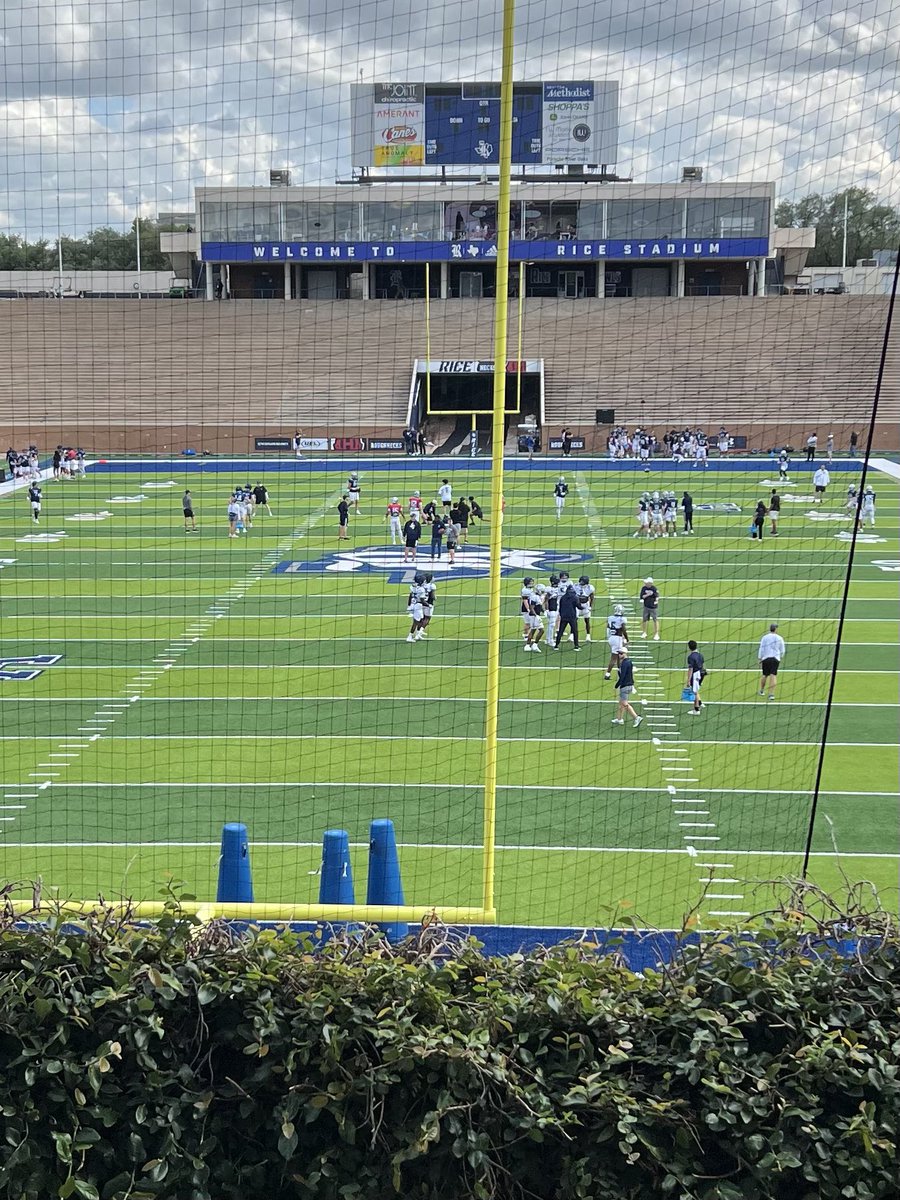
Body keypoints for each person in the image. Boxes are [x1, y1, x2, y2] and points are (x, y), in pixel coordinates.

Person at [610, 652, 643, 728]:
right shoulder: (629, 662)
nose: (619, 655)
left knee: (624, 703)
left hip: (625, 686)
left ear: (625, 653)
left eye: (621, 653)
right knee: (621, 703)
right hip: (629, 685)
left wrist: (617, 685)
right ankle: (619, 719)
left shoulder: (624, 664)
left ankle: (636, 717)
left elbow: (622, 676)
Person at [757, 623, 786, 700]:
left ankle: (762, 690)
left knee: (764, 675)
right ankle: (771, 694)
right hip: (775, 659)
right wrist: (780, 657)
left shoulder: (765, 637)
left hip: (766, 658)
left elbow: (761, 648)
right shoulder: (779, 638)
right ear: (776, 629)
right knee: (773, 675)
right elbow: (782, 650)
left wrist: (760, 658)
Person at [553, 579, 583, 651]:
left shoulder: (563, 598)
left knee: (560, 631)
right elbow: (579, 606)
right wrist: (582, 606)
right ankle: (576, 646)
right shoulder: (574, 597)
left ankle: (556, 645)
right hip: (572, 616)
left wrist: (561, 614)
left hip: (564, 616)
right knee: (575, 631)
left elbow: (560, 607)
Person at [521, 577, 545, 653]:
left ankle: (532, 644)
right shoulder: (534, 597)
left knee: (536, 630)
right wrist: (536, 616)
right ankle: (530, 644)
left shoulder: (536, 595)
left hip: (535, 615)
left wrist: (544, 611)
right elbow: (531, 607)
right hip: (533, 616)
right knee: (539, 630)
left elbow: (539, 606)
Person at [604, 604, 628, 680]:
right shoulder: (622, 619)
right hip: (617, 638)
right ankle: (607, 674)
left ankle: (620, 673)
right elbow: (623, 629)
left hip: (611, 637)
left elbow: (608, 628)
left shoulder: (610, 618)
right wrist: (627, 638)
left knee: (618, 656)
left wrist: (609, 637)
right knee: (615, 657)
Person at [686, 640, 705, 714]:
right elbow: (702, 665)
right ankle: (699, 704)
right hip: (701, 673)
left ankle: (696, 709)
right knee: (696, 690)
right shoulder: (700, 655)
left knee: (694, 691)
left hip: (695, 674)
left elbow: (691, 669)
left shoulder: (691, 657)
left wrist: (688, 680)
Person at [406, 573, 427, 642]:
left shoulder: (413, 586)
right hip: (418, 605)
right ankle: (410, 636)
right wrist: (428, 605)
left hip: (413, 604)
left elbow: (410, 595)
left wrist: (409, 605)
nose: (425, 581)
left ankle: (418, 634)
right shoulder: (421, 589)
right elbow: (422, 600)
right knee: (416, 622)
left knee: (421, 620)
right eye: (424, 581)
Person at [575, 575, 595, 642]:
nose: (581, 584)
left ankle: (588, 636)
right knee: (574, 620)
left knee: (587, 620)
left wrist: (590, 606)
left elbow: (592, 597)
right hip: (577, 605)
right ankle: (572, 635)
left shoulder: (590, 588)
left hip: (585, 605)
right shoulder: (576, 586)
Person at [544, 574, 560, 646]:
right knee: (552, 625)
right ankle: (550, 640)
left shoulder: (558, 588)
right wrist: (547, 610)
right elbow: (546, 600)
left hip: (555, 607)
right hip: (551, 608)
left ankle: (548, 639)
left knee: (551, 625)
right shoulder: (549, 589)